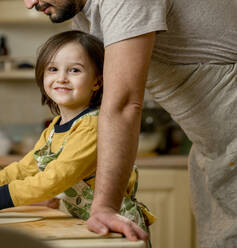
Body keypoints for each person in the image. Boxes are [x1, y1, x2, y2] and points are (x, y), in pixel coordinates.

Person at [23, 0, 237, 247]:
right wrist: (51, 188)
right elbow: (93, 114)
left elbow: (123, 105)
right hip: (213, 150)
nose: (30, 3)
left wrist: (105, 207)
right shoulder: (86, 12)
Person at [0, 30, 155, 245]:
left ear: (97, 82)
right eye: (53, 69)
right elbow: (25, 167)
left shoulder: (92, 125)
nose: (61, 78)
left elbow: (55, 178)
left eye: (75, 70)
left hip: (116, 226)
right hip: (87, 224)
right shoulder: (55, 127)